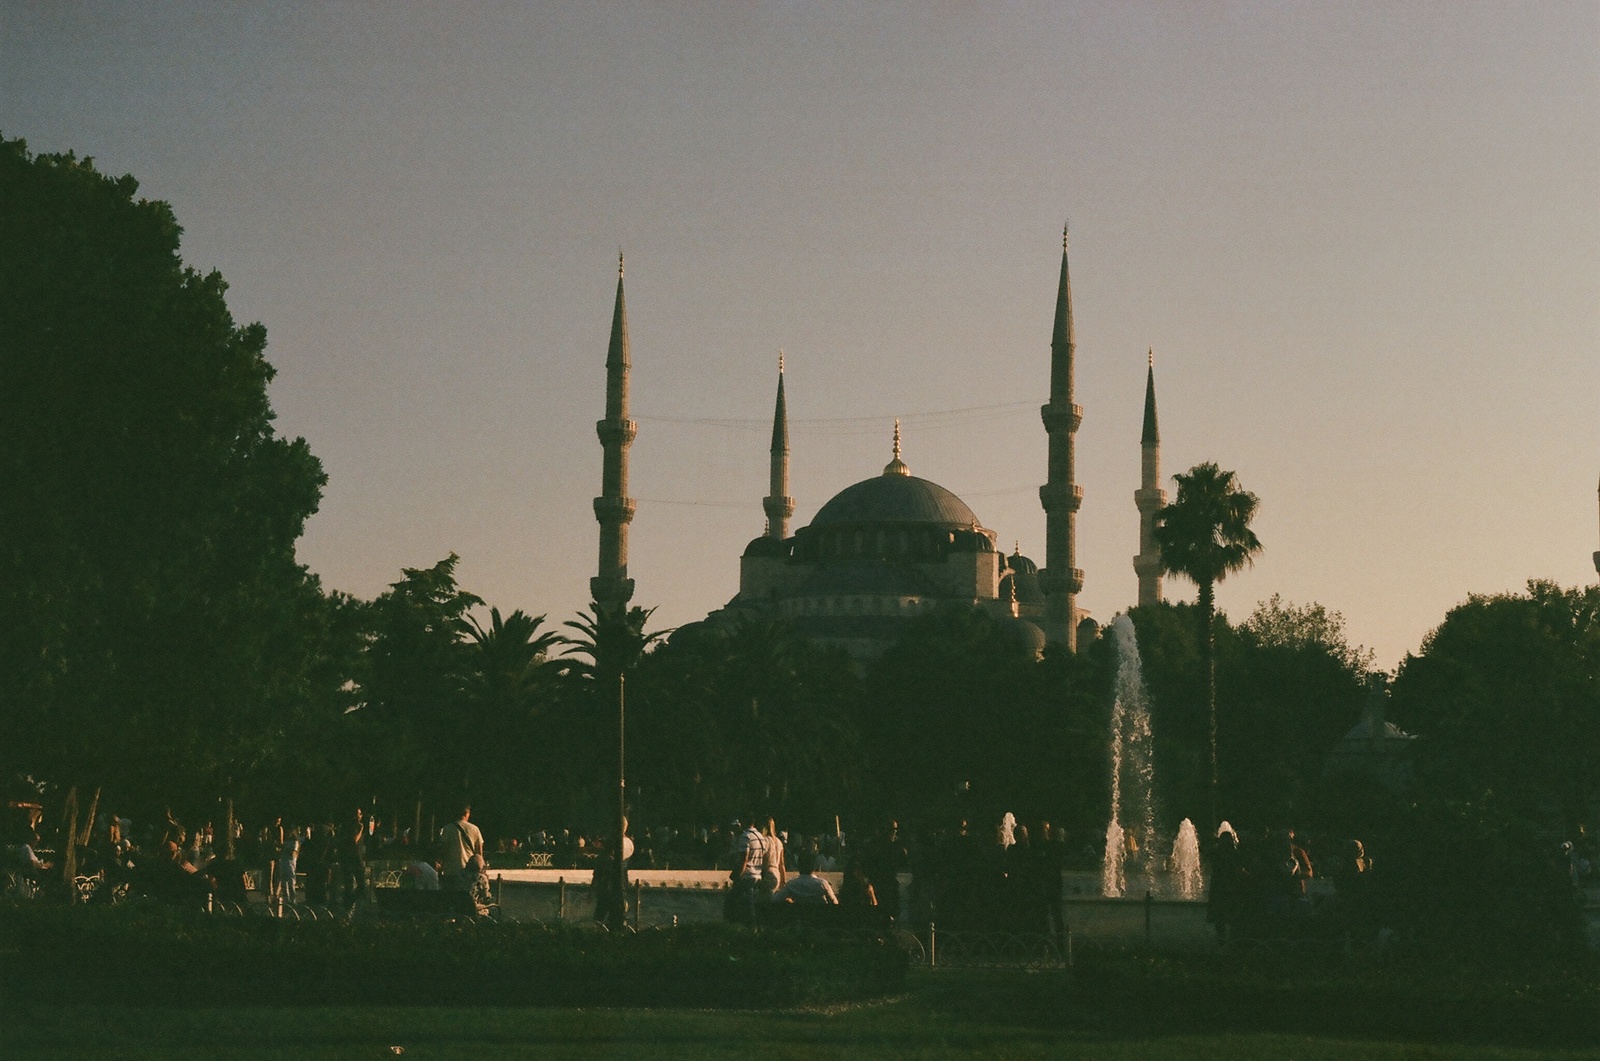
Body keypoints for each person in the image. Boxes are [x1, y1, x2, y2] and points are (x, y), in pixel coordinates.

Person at [726, 818, 765, 925]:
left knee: (731, 900)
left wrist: (737, 876)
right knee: (750, 904)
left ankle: (731, 926)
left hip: (747, 875)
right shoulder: (761, 837)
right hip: (758, 875)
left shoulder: (745, 837)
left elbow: (744, 859)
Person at [772, 851, 838, 905]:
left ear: (798, 866)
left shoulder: (791, 885)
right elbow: (835, 902)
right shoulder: (822, 884)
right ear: (814, 867)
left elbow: (775, 899)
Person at [442, 806, 485, 888]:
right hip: (469, 871)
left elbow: (444, 849)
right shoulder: (475, 829)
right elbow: (479, 853)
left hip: (451, 870)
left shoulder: (447, 829)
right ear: (466, 813)